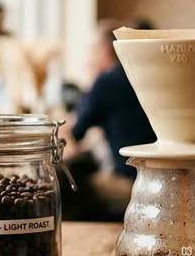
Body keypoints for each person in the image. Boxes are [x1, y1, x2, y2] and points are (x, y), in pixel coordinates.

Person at [66, 19, 156, 180]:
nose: (88, 60)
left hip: (133, 181)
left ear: (106, 52)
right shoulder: (143, 75)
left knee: (75, 185)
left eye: (92, 51)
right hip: (168, 176)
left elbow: (74, 132)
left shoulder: (107, 81)